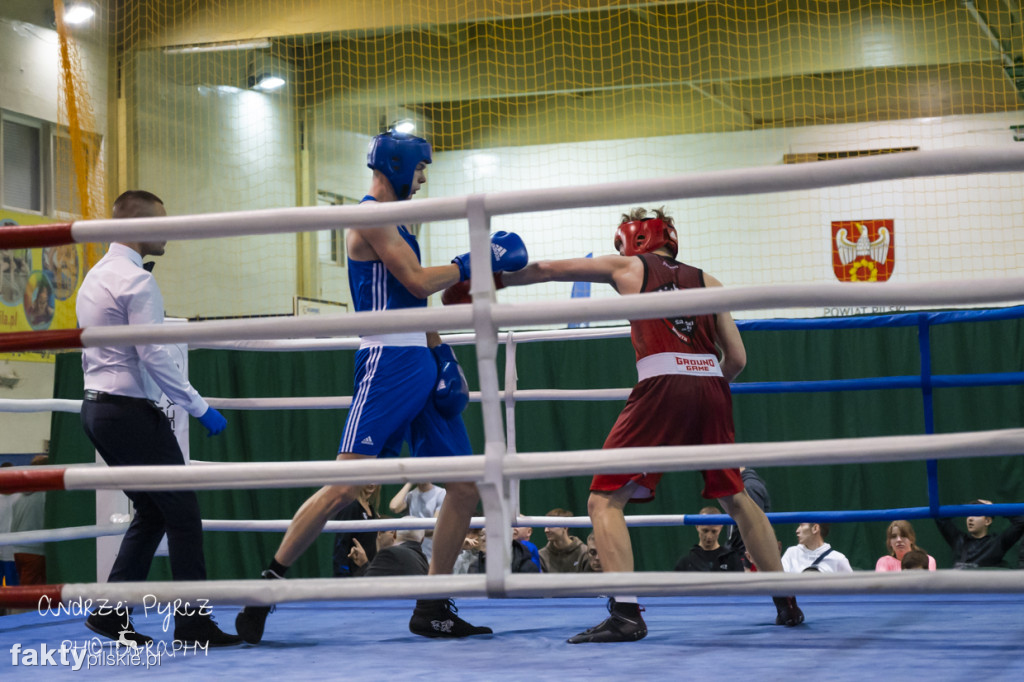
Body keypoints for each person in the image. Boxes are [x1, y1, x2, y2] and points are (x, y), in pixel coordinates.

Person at [235, 129, 527, 644]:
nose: (422, 178)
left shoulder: (400, 221)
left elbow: (417, 303)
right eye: (419, 168)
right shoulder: (370, 216)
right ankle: (267, 587)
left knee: (463, 485)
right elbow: (415, 281)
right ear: (396, 164)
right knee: (346, 485)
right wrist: (471, 261)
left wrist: (441, 353)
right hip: (387, 359)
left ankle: (434, 605)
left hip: (418, 355)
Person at [462, 206, 802, 642]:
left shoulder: (628, 266)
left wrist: (487, 278)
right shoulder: (707, 279)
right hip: (712, 385)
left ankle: (625, 613)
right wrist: (701, 384)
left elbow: (548, 268)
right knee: (735, 496)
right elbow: (736, 360)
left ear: (630, 238)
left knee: (604, 500)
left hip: (663, 382)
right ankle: (787, 602)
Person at [76, 190, 240, 646]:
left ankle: (111, 613)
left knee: (152, 511)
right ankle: (193, 624)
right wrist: (200, 407)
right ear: (137, 225)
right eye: (160, 222)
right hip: (127, 412)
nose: (168, 231)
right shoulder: (136, 282)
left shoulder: (94, 276)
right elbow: (156, 356)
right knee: (183, 515)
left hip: (99, 410)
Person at [935, 499, 1024, 569]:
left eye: (975, 514)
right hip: (961, 587)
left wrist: (994, 507)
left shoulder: (997, 542)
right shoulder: (958, 540)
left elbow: (1021, 521)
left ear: (987, 521)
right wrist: (962, 508)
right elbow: (940, 517)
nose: (970, 519)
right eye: (968, 515)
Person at [10, 455, 50, 585]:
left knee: (32, 590)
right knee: (33, 594)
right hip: (35, 550)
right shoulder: (46, 496)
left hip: (19, 549)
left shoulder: (18, 495)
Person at [722, 467, 771, 570]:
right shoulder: (741, 487)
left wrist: (746, 565)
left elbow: (753, 533)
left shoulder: (749, 488)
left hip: (745, 563)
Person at [674, 506, 744, 572]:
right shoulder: (685, 562)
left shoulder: (732, 559)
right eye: (705, 531)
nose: (709, 536)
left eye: (714, 531)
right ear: (697, 526)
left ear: (720, 527)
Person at [389, 482, 446, 561]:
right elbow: (394, 507)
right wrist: (409, 482)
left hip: (432, 553)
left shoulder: (441, 493)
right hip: (412, 553)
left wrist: (409, 530)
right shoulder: (411, 495)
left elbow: (433, 528)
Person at [332, 484, 380, 577]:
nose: (372, 484)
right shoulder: (350, 506)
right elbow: (340, 545)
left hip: (366, 572)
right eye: (367, 479)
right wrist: (343, 578)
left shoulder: (370, 508)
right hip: (352, 575)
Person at [361, 522, 430, 577]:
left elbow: (365, 587)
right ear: (422, 540)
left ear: (395, 534)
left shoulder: (389, 553)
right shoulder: (424, 562)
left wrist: (363, 565)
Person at [781, 523, 853, 573]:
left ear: (815, 528)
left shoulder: (838, 559)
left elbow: (852, 589)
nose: (797, 531)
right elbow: (780, 583)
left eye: (802, 525)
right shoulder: (791, 552)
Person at [538, 508, 591, 573]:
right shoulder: (541, 555)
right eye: (545, 526)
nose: (546, 530)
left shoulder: (584, 552)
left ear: (565, 527)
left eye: (551, 526)